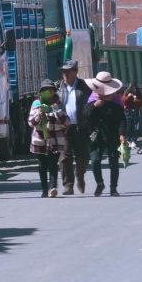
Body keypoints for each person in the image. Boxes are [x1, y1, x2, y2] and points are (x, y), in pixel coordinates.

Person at [84, 72, 128, 197]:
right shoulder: (93, 99)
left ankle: (113, 188)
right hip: (95, 135)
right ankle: (100, 183)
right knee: (95, 161)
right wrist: (95, 106)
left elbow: (121, 119)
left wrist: (122, 134)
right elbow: (86, 114)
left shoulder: (116, 102)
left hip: (112, 135)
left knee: (114, 162)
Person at [57, 60, 93, 196]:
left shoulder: (84, 88)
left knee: (82, 156)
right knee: (64, 157)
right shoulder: (59, 88)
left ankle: (80, 175)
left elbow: (90, 106)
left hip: (81, 127)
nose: (65, 74)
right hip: (64, 128)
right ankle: (68, 185)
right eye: (63, 71)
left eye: (68, 71)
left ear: (75, 72)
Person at [29, 79, 68, 197]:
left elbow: (66, 122)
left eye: (51, 90)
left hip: (55, 139)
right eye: (46, 90)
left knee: (53, 163)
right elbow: (31, 122)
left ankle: (53, 187)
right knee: (42, 165)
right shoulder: (36, 104)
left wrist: (55, 111)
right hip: (40, 140)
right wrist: (39, 115)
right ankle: (44, 189)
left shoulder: (59, 103)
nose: (49, 93)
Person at [123, 83, 142, 150]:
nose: (134, 90)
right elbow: (124, 102)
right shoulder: (127, 94)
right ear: (129, 89)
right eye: (132, 88)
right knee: (128, 125)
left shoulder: (138, 95)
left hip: (135, 111)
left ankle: (132, 139)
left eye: (135, 88)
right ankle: (128, 139)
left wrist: (137, 101)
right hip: (128, 112)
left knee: (134, 125)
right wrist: (128, 97)